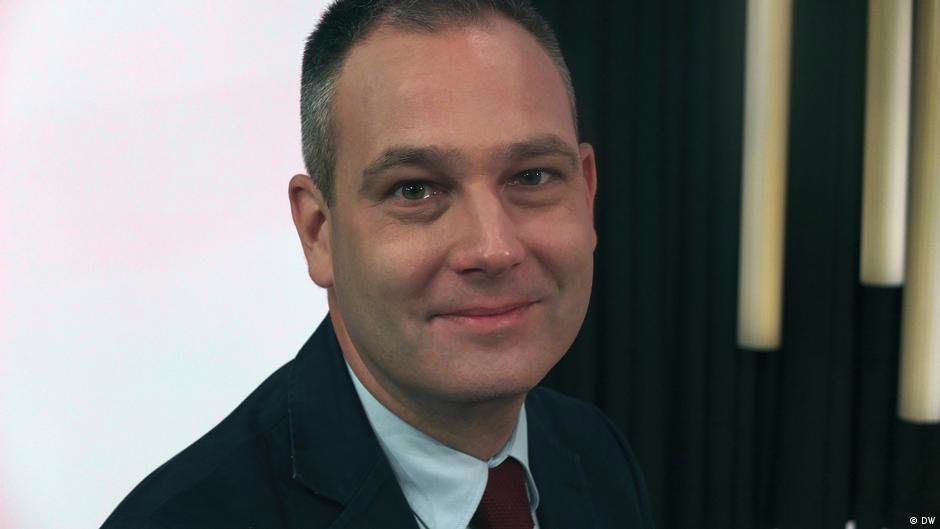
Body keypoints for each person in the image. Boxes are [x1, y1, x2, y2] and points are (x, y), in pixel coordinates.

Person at [101, 1, 654, 528]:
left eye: (532, 177)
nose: (494, 248)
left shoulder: (594, 453)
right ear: (318, 231)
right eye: (415, 189)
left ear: (586, 193)